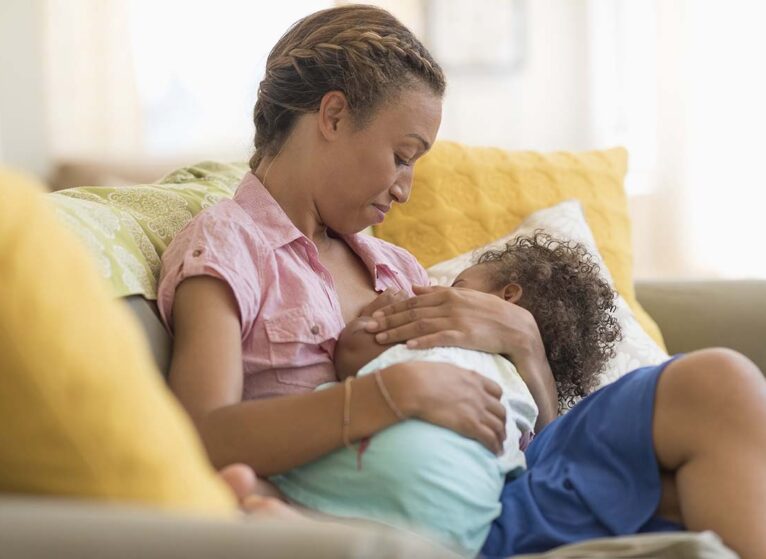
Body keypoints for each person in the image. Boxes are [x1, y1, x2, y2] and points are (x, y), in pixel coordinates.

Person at [158, 5, 766, 558]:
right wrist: (390, 395)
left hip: (504, 486)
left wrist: (525, 344)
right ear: (334, 116)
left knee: (719, 390)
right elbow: (199, 435)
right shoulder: (229, 247)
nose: (405, 186)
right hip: (398, 506)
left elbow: (528, 442)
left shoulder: (396, 266)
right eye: (402, 155)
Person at [269, 232, 622, 556]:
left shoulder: (436, 334)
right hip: (455, 520)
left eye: (457, 285)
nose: (437, 290)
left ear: (508, 295)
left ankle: (275, 507)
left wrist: (373, 319)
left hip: (374, 468)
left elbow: (352, 356)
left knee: (274, 475)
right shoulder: (525, 400)